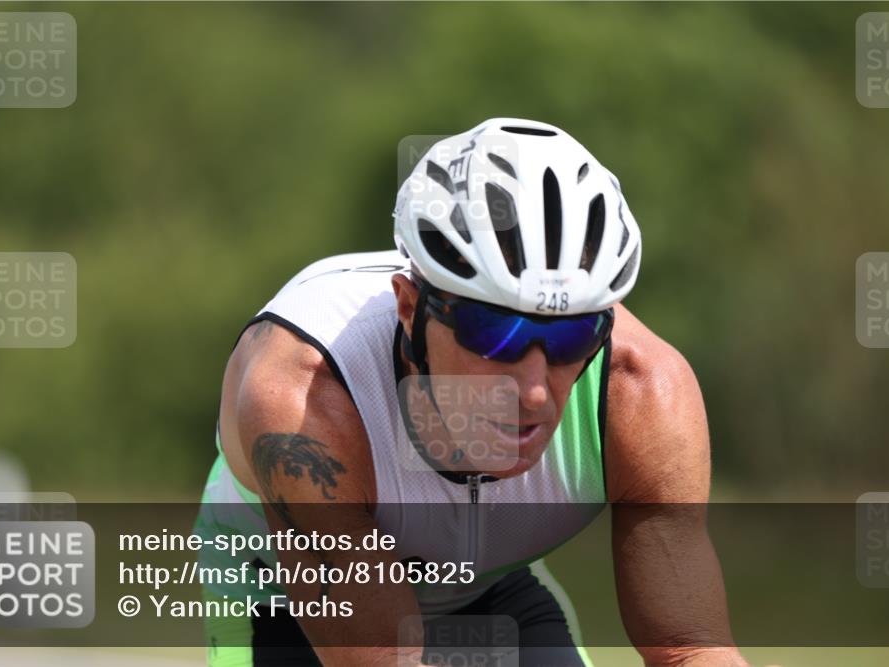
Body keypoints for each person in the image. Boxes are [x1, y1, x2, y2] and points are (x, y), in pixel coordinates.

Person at [196, 118, 756, 667]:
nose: (535, 392)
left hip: (488, 590)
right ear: (411, 309)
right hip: (277, 600)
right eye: (496, 334)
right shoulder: (306, 395)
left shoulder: (641, 394)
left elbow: (688, 649)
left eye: (570, 337)